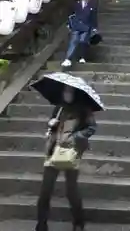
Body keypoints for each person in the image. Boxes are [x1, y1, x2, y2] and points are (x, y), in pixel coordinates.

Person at [35, 85, 96, 231]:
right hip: (53, 150)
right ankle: (41, 224)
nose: (67, 94)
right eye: (65, 91)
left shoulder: (83, 109)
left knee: (71, 190)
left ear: (75, 93)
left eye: (69, 91)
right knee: (45, 190)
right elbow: (52, 124)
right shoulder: (59, 107)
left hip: (71, 151)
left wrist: (76, 137)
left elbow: (91, 128)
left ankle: (78, 222)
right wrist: (51, 125)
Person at [61, 0, 98, 68]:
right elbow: (70, 15)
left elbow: (93, 17)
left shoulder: (91, 6)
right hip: (76, 25)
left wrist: (94, 27)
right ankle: (68, 59)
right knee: (74, 41)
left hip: (86, 26)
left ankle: (82, 57)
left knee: (83, 41)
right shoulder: (76, 5)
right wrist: (68, 24)